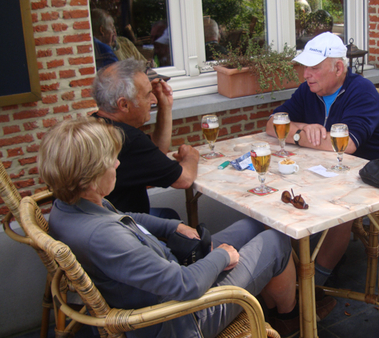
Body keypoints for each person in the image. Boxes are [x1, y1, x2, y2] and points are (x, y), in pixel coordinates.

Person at [38, 117, 319, 338]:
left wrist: (173, 226)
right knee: (276, 241)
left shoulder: (68, 206)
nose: (118, 163)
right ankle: (287, 318)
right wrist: (223, 257)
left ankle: (270, 299)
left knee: (255, 224)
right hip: (183, 319)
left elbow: (127, 217)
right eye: (111, 160)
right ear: (90, 176)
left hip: (167, 278)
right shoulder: (102, 237)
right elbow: (186, 285)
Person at [266, 31, 379, 286]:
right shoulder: (308, 90)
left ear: (338, 67)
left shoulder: (362, 91)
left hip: (369, 174)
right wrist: (304, 130)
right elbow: (272, 124)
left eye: (314, 68)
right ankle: (287, 268)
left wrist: (298, 133)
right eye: (305, 67)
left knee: (338, 209)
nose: (306, 74)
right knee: (277, 190)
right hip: (322, 167)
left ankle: (315, 284)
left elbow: (346, 145)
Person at [91, 59, 197, 218]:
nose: (153, 100)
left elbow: (156, 153)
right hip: (124, 228)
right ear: (124, 105)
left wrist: (165, 107)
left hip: (97, 221)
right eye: (148, 95)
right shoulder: (127, 139)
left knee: (169, 216)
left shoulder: (94, 125)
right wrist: (191, 157)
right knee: (175, 225)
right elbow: (184, 180)